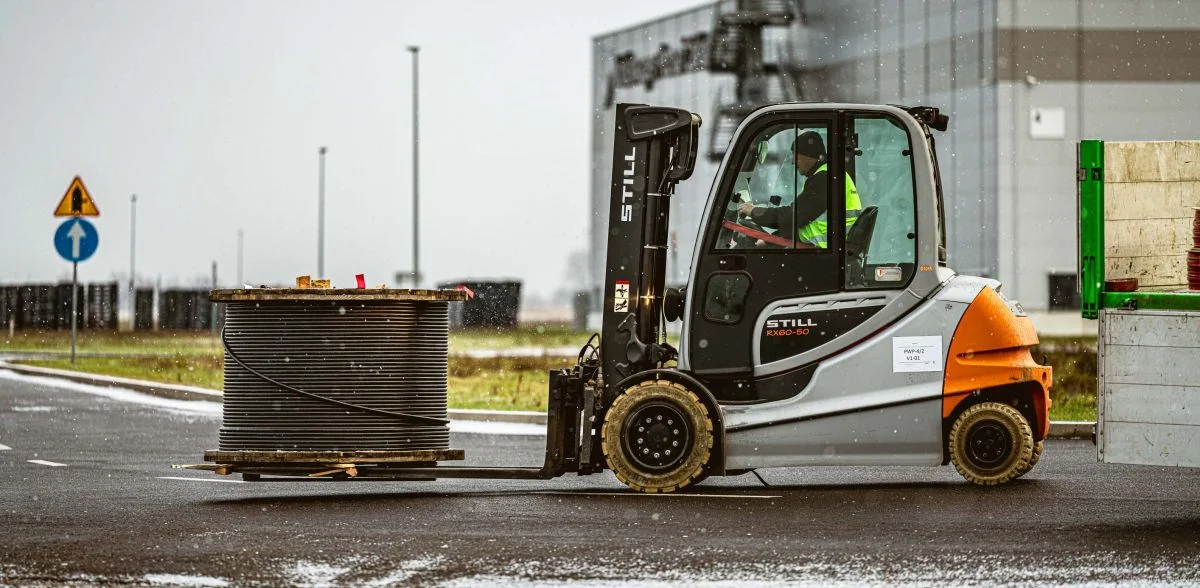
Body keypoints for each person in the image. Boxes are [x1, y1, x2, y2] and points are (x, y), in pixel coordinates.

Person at [737, 130, 861, 248]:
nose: (793, 162)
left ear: (808, 156)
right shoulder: (829, 173)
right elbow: (802, 223)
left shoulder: (824, 178)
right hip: (826, 247)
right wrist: (770, 241)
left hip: (824, 253)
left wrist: (753, 211)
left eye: (795, 156)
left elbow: (792, 217)